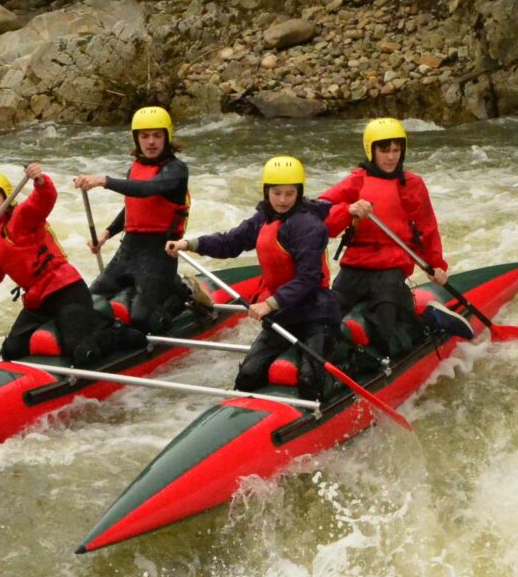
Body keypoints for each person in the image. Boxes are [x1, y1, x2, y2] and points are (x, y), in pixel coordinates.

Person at [169, 155, 339, 402]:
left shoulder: (309, 226)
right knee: (248, 376)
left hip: (317, 314)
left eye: (289, 194)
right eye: (276, 193)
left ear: (299, 193)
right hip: (285, 315)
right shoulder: (264, 219)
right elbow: (230, 242)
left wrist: (268, 304)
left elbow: (308, 279)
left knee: (309, 380)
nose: (282, 200)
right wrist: (189, 243)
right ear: (266, 191)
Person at [0, 166, 123, 366]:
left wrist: (40, 180)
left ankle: (115, 333)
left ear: (6, 197)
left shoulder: (22, 216)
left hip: (66, 291)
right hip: (38, 301)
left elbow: (44, 199)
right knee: (11, 351)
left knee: (80, 351)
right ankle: (70, 329)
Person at [320, 117, 449, 359]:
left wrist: (436, 266)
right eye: (384, 150)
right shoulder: (356, 181)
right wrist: (346, 210)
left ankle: (386, 356)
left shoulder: (411, 184)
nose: (391, 157)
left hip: (391, 267)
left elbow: (427, 229)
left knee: (384, 325)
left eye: (396, 150)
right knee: (326, 316)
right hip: (355, 265)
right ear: (371, 150)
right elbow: (319, 215)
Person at [73, 105, 190, 334]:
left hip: (160, 252)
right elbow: (133, 205)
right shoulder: (134, 169)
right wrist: (106, 234)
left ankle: (180, 292)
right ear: (136, 139)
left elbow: (147, 190)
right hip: (129, 249)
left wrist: (103, 181)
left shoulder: (176, 170)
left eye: (157, 135)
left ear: (167, 137)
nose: (151, 142)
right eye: (144, 136)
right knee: (89, 302)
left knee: (142, 318)